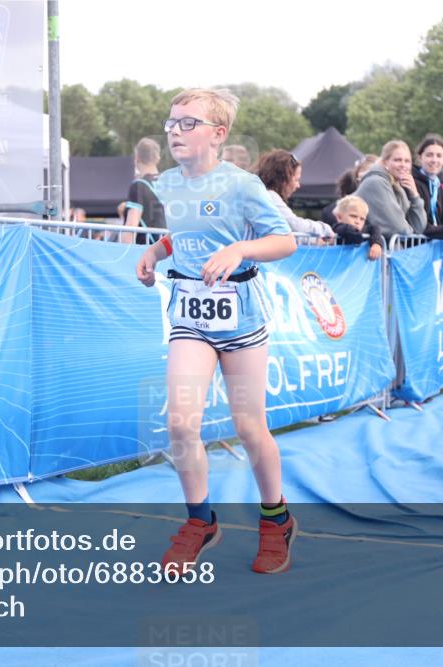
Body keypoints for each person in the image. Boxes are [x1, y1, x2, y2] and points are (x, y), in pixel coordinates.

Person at [134, 88, 298, 575]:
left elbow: (285, 240)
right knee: (182, 424)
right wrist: (156, 253)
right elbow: (184, 234)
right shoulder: (168, 183)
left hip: (241, 319)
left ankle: (276, 519)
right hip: (190, 317)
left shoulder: (244, 185)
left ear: (218, 134)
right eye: (171, 123)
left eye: (188, 123)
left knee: (250, 428)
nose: (175, 132)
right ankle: (200, 520)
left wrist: (240, 252)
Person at [353, 139, 427, 241]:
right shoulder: (376, 182)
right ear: (384, 163)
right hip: (367, 252)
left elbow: (419, 227)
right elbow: (398, 228)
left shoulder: (397, 185)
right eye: (397, 160)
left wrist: (414, 195)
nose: (403, 165)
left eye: (407, 161)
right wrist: (412, 234)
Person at [255, 149, 334, 243]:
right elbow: (295, 225)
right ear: (283, 178)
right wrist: (324, 228)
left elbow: (283, 233)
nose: (298, 185)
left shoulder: (260, 194)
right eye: (296, 180)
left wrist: (313, 241)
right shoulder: (270, 196)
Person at [123, 137, 166, 244]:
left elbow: (131, 227)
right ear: (158, 158)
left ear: (136, 158)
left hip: (147, 252)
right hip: (168, 250)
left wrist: (125, 256)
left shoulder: (139, 186)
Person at [330, 195, 383, 260]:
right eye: (353, 216)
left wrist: (376, 244)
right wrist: (360, 238)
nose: (358, 221)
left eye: (362, 219)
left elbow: (374, 228)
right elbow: (347, 230)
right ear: (339, 217)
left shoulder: (363, 229)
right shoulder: (337, 228)